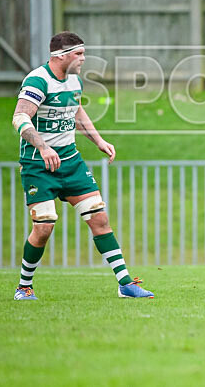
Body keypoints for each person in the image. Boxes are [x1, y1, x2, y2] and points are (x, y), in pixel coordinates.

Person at [12, 31, 153, 300]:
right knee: (44, 226)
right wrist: (43, 147)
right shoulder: (38, 80)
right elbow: (20, 118)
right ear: (60, 56)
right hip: (38, 165)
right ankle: (24, 287)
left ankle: (125, 284)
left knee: (99, 218)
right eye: (78, 54)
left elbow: (76, 111)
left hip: (71, 162)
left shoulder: (74, 81)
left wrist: (98, 140)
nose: (83, 59)